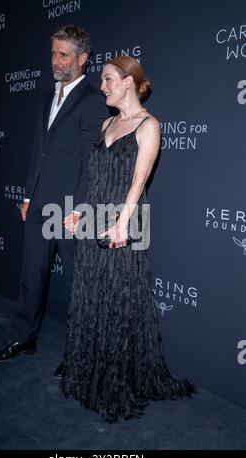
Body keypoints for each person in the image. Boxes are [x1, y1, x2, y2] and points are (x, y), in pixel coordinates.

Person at [60, 56, 196, 422]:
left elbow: (139, 180)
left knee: (119, 302)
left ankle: (118, 379)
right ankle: (89, 373)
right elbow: (94, 181)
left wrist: (122, 223)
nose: (101, 86)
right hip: (94, 225)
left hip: (124, 225)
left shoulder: (149, 125)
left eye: (107, 79)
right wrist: (78, 211)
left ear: (128, 82)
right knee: (92, 297)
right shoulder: (106, 123)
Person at [0, 25, 109, 365]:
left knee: (76, 284)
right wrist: (28, 195)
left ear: (82, 59)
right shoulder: (45, 96)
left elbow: (92, 160)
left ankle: (79, 355)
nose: (55, 60)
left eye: (63, 54)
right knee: (30, 276)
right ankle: (23, 338)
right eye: (53, 52)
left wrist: (82, 209)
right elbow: (38, 151)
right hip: (39, 203)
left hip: (71, 208)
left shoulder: (94, 100)